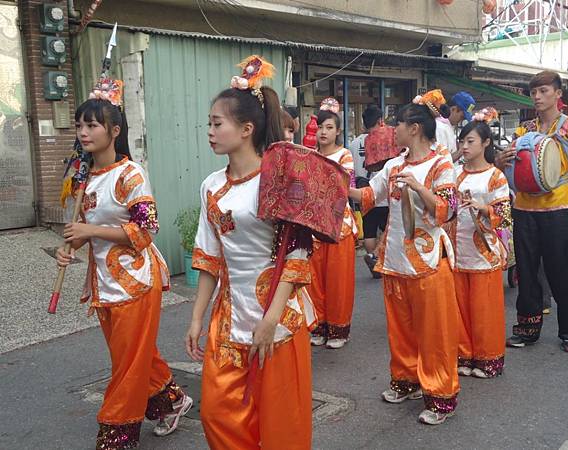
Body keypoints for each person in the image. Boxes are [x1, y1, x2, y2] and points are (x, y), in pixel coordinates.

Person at [185, 56, 313, 450]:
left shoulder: (279, 180)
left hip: (278, 318)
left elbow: (298, 254)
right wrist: (196, 318)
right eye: (208, 123)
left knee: (280, 424)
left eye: (216, 123)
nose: (209, 131)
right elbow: (209, 256)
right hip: (229, 317)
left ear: (246, 129)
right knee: (218, 414)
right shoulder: (211, 186)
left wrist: (271, 319)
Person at [56, 80, 192, 449]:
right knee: (133, 356)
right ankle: (173, 401)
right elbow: (90, 232)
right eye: (80, 125)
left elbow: (146, 230)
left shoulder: (131, 174)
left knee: (127, 365)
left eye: (92, 125)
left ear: (114, 130)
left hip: (134, 282)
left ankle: (117, 432)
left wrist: (89, 228)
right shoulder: (84, 178)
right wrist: (75, 242)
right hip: (103, 284)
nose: (84, 132)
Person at [349, 99, 460, 425]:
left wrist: (417, 187)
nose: (392, 129)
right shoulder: (394, 165)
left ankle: (441, 395)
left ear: (414, 129)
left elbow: (448, 210)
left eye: (398, 124)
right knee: (401, 330)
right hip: (396, 260)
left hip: (428, 262)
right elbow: (369, 196)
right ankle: (406, 380)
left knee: (434, 333)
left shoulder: (441, 165)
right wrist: (338, 185)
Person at [495, 71, 568, 353]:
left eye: (543, 91)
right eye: (534, 93)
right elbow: (508, 161)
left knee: (561, 271)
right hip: (524, 208)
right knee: (527, 274)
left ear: (558, 93)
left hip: (558, 208)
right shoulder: (525, 128)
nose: (537, 97)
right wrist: (500, 160)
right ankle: (527, 329)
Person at [453, 108, 511, 379]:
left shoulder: (495, 176)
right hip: (457, 251)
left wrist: (483, 208)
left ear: (486, 143)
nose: (464, 147)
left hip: (483, 252)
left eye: (470, 142)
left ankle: (488, 358)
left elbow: (505, 215)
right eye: (462, 142)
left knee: (484, 309)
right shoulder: (456, 175)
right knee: (460, 308)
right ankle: (464, 354)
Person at [307, 97, 357, 349]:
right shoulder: (309, 156)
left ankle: (338, 330)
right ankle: (319, 325)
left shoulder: (345, 155)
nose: (323, 132)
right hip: (314, 225)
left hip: (339, 226)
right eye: (320, 127)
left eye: (328, 127)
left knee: (338, 281)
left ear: (338, 131)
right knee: (314, 279)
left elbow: (343, 187)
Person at [348, 105, 390, 278]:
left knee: (369, 229)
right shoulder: (385, 141)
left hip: (363, 190)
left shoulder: (353, 143)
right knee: (387, 228)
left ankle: (372, 257)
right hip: (383, 193)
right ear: (380, 121)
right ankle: (377, 259)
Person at [441, 91, 476, 162]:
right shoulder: (440, 128)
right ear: (453, 109)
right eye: (462, 117)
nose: (461, 120)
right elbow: (441, 162)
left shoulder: (449, 127)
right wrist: (461, 151)